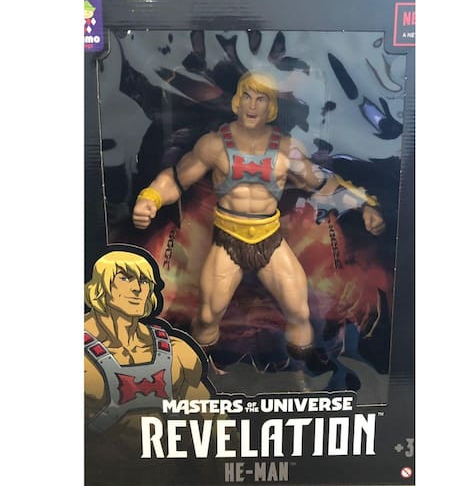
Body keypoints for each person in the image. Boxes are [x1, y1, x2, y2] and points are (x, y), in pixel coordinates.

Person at [132, 71, 385, 369]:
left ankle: (303, 375)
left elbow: (322, 184)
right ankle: (195, 372)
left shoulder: (287, 148)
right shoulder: (214, 145)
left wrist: (364, 205)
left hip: (269, 240)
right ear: (237, 101)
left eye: (261, 99)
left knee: (299, 312)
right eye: (247, 97)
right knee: (208, 316)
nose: (252, 105)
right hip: (228, 240)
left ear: (271, 106)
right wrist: (150, 198)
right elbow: (176, 179)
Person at [84, 250, 212, 434]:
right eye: (125, 278)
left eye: (144, 281)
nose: (137, 288)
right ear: (100, 286)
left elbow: (211, 418)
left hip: (167, 452)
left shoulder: (177, 351)